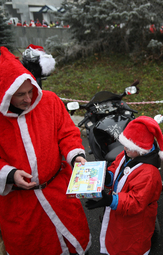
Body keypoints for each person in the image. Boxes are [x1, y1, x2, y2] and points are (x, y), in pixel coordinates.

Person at [0, 47, 91, 255]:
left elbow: (67, 133)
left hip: (59, 192)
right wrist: (10, 174)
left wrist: (76, 155)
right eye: (20, 95)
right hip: (21, 205)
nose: (28, 99)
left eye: (30, 91)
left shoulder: (49, 101)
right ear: (5, 94)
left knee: (74, 240)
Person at [85, 116, 163, 255]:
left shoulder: (149, 173)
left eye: (129, 146)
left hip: (135, 225)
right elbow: (115, 169)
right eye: (124, 143)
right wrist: (107, 177)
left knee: (129, 248)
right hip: (121, 217)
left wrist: (111, 200)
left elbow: (136, 201)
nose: (124, 148)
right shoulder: (127, 155)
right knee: (117, 242)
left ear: (142, 148)